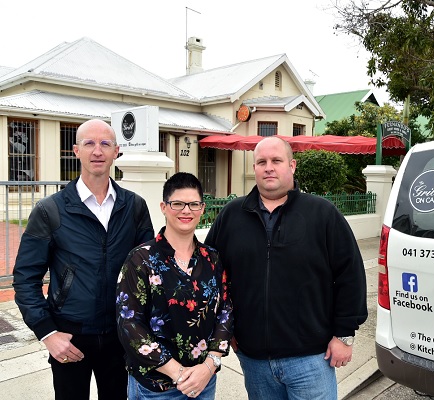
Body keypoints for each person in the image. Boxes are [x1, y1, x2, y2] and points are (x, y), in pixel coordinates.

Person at [204, 136, 368, 400]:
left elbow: (350, 274)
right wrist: (225, 330)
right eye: (261, 162)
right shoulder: (231, 215)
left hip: (312, 358)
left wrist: (344, 334)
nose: (268, 167)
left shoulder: (322, 213)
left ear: (292, 166)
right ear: (255, 168)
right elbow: (211, 275)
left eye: (276, 161)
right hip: (254, 360)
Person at [12, 119, 155, 400]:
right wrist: (48, 333)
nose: (97, 151)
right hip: (70, 336)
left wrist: (144, 327)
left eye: (105, 143)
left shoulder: (134, 206)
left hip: (121, 334)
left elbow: (149, 270)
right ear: (76, 150)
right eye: (89, 143)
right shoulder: (50, 210)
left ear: (116, 152)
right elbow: (25, 278)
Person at [116, 172, 233, 399]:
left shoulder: (212, 258)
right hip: (156, 387)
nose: (186, 211)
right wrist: (178, 373)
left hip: (204, 381)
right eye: (178, 203)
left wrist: (210, 365)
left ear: (202, 208)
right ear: (164, 207)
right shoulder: (141, 259)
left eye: (193, 204)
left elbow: (225, 310)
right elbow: (128, 324)